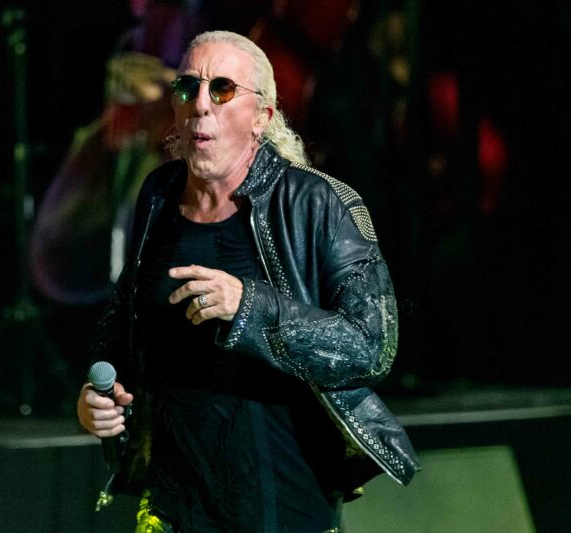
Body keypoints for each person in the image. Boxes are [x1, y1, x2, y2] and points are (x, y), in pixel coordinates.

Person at [77, 30, 419, 532]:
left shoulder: (317, 203)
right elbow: (125, 322)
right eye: (187, 87)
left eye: (221, 89)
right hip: (174, 506)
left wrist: (250, 307)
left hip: (284, 505)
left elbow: (372, 347)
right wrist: (100, 397)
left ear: (262, 115)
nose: (200, 104)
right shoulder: (158, 196)